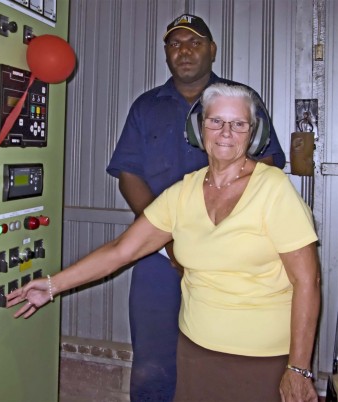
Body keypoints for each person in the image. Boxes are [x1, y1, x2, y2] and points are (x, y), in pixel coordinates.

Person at [7, 83, 320, 402]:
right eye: (216, 121)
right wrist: (51, 285)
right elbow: (121, 251)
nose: (225, 132)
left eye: (238, 124)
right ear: (200, 128)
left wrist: (298, 368)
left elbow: (307, 280)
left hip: (263, 361)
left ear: (251, 133)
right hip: (194, 353)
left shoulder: (274, 190)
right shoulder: (183, 193)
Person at [105, 13, 286, 401]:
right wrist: (165, 235)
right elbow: (129, 173)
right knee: (153, 358)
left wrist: (218, 229)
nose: (184, 51)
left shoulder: (240, 101)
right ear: (166, 54)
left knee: (222, 358)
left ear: (212, 50)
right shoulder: (146, 107)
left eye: (195, 43)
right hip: (158, 254)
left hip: (228, 255)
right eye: (175, 44)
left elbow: (266, 163)